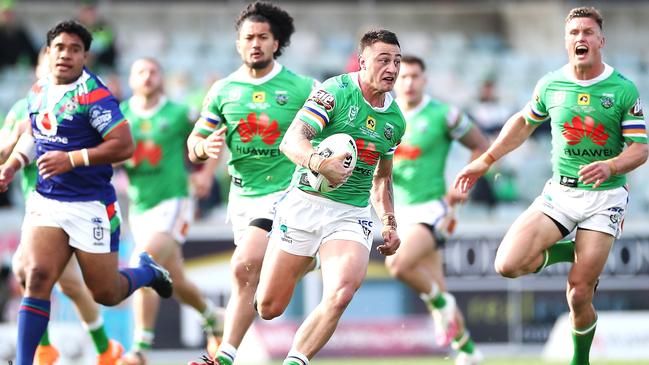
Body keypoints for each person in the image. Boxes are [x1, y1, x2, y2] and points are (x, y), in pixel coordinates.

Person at [454, 7, 648, 365]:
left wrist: (610, 165)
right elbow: (523, 124)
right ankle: (571, 250)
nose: (580, 38)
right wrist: (486, 159)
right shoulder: (551, 84)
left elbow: (640, 149)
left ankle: (580, 360)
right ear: (565, 40)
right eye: (574, 32)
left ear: (601, 40)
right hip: (560, 192)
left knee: (578, 294)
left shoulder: (622, 88)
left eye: (588, 32)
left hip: (604, 199)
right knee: (507, 265)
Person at [0, 20, 172, 365]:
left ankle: (147, 272)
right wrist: (14, 164)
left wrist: (72, 159)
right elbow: (35, 133)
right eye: (59, 48)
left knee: (106, 293)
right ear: (48, 53)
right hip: (47, 201)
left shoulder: (95, 95)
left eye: (75, 49)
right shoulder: (38, 90)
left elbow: (124, 145)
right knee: (36, 277)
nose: (66, 55)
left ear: (85, 57)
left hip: (90, 205)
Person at [254, 29, 405, 365]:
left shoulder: (395, 120)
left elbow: (382, 178)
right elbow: (292, 140)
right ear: (362, 61)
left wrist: (390, 222)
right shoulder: (334, 92)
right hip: (304, 204)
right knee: (268, 307)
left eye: (397, 61)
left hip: (350, 214)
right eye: (383, 60)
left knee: (341, 294)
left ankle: (296, 360)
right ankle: (313, 257)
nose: (392, 68)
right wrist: (321, 164)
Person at [186, 3, 317, 364]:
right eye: (248, 38)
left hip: (290, 191)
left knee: (243, 261)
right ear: (238, 44)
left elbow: (332, 131)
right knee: (253, 284)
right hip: (243, 197)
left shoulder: (303, 87)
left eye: (263, 37)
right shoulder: (222, 91)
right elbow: (194, 144)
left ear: (276, 43)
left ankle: (222, 354)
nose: (255, 44)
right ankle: (226, 357)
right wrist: (202, 147)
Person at [0, 47, 124, 365]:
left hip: (73, 205)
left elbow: (116, 144)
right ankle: (96, 348)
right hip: (39, 205)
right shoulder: (23, 107)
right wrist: (11, 148)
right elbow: (5, 151)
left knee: (49, 277)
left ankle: (70, 349)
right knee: (46, 278)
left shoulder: (81, 102)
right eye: (46, 64)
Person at [118, 57, 224, 365]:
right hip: (140, 207)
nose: (147, 76)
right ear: (131, 79)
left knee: (143, 262)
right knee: (173, 279)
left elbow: (215, 127)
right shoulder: (121, 116)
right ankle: (211, 316)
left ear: (161, 78)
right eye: (141, 71)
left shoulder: (178, 112)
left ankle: (139, 349)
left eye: (153, 71)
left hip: (174, 201)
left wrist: (206, 173)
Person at [388, 55, 488, 365]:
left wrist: (462, 186)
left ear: (424, 80)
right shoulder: (385, 116)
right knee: (436, 287)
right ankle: (469, 350)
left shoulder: (444, 114)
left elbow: (481, 145)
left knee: (399, 266)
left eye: (414, 76)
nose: (408, 82)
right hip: (398, 211)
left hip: (433, 207)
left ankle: (440, 303)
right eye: (402, 77)